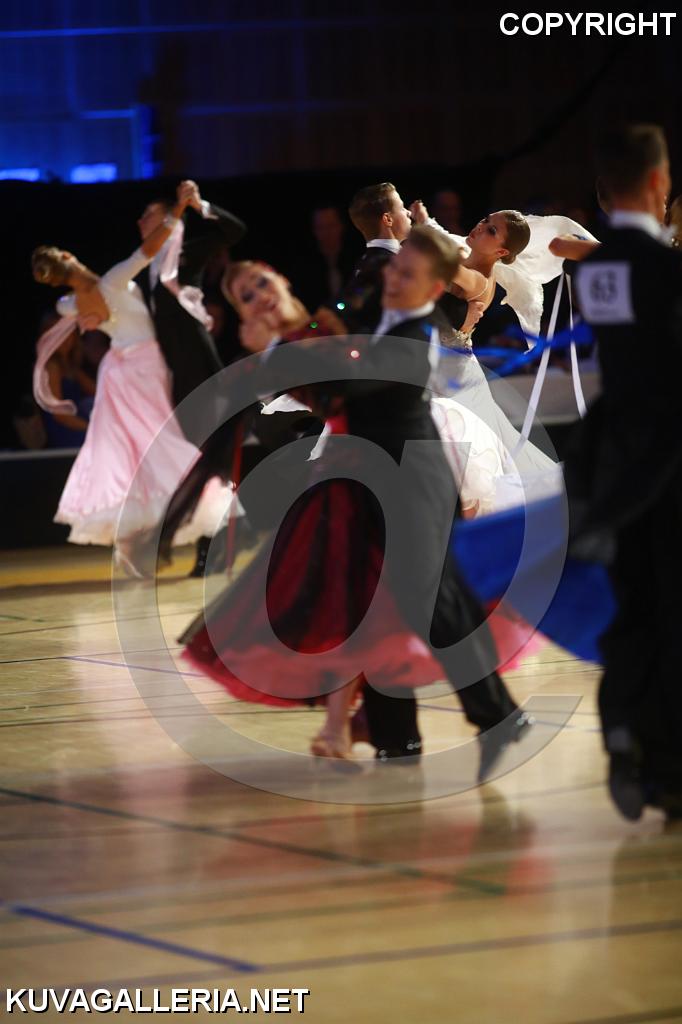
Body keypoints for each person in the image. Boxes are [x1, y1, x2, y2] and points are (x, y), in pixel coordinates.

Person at [182, 227, 533, 772]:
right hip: (359, 475)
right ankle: (398, 739)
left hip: (411, 476)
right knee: (374, 605)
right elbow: (328, 370)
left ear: (433, 287)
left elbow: (345, 387)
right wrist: (286, 341)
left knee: (427, 602)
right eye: (395, 268)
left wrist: (278, 348)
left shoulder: (415, 334)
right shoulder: (363, 311)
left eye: (408, 275)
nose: (393, 279)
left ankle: (497, 716)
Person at [569, 124, 682, 821]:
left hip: (617, 466)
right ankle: (666, 768)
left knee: (634, 608)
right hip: (671, 469)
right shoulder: (668, 271)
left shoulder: (594, 271)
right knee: (672, 615)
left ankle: (627, 732)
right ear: (659, 183)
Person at [32, 182, 228, 571]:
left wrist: (86, 315)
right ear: (69, 257)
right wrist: (176, 212)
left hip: (116, 371)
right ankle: (166, 526)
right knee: (159, 444)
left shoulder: (68, 303)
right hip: (144, 366)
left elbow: (72, 307)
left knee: (131, 452)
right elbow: (150, 249)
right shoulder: (114, 280)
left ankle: (134, 542)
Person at [135, 184, 246, 576]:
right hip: (170, 382)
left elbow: (235, 231)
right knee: (187, 465)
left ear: (169, 218)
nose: (140, 221)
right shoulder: (142, 267)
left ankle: (209, 550)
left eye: (148, 215)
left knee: (207, 463)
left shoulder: (184, 254)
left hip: (202, 375)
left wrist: (198, 205)